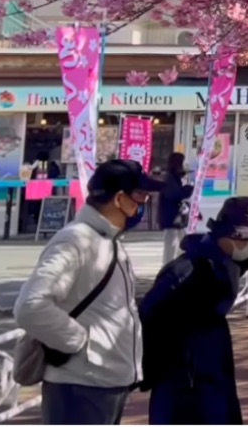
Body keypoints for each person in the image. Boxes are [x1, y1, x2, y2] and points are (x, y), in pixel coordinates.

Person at [14, 159, 149, 425]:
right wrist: (78, 341)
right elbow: (31, 305)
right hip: (80, 384)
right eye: (140, 197)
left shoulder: (108, 240)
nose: (141, 205)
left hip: (106, 380)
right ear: (119, 199)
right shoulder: (75, 240)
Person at [137, 196, 248, 425]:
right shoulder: (186, 271)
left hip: (212, 372)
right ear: (234, 236)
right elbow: (148, 316)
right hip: (183, 381)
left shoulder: (221, 264)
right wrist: (152, 370)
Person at [156, 154, 192, 267]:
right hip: (171, 218)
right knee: (171, 248)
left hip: (176, 219)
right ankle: (168, 269)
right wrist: (188, 188)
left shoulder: (174, 177)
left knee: (181, 245)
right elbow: (175, 194)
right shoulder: (170, 178)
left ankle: (179, 267)